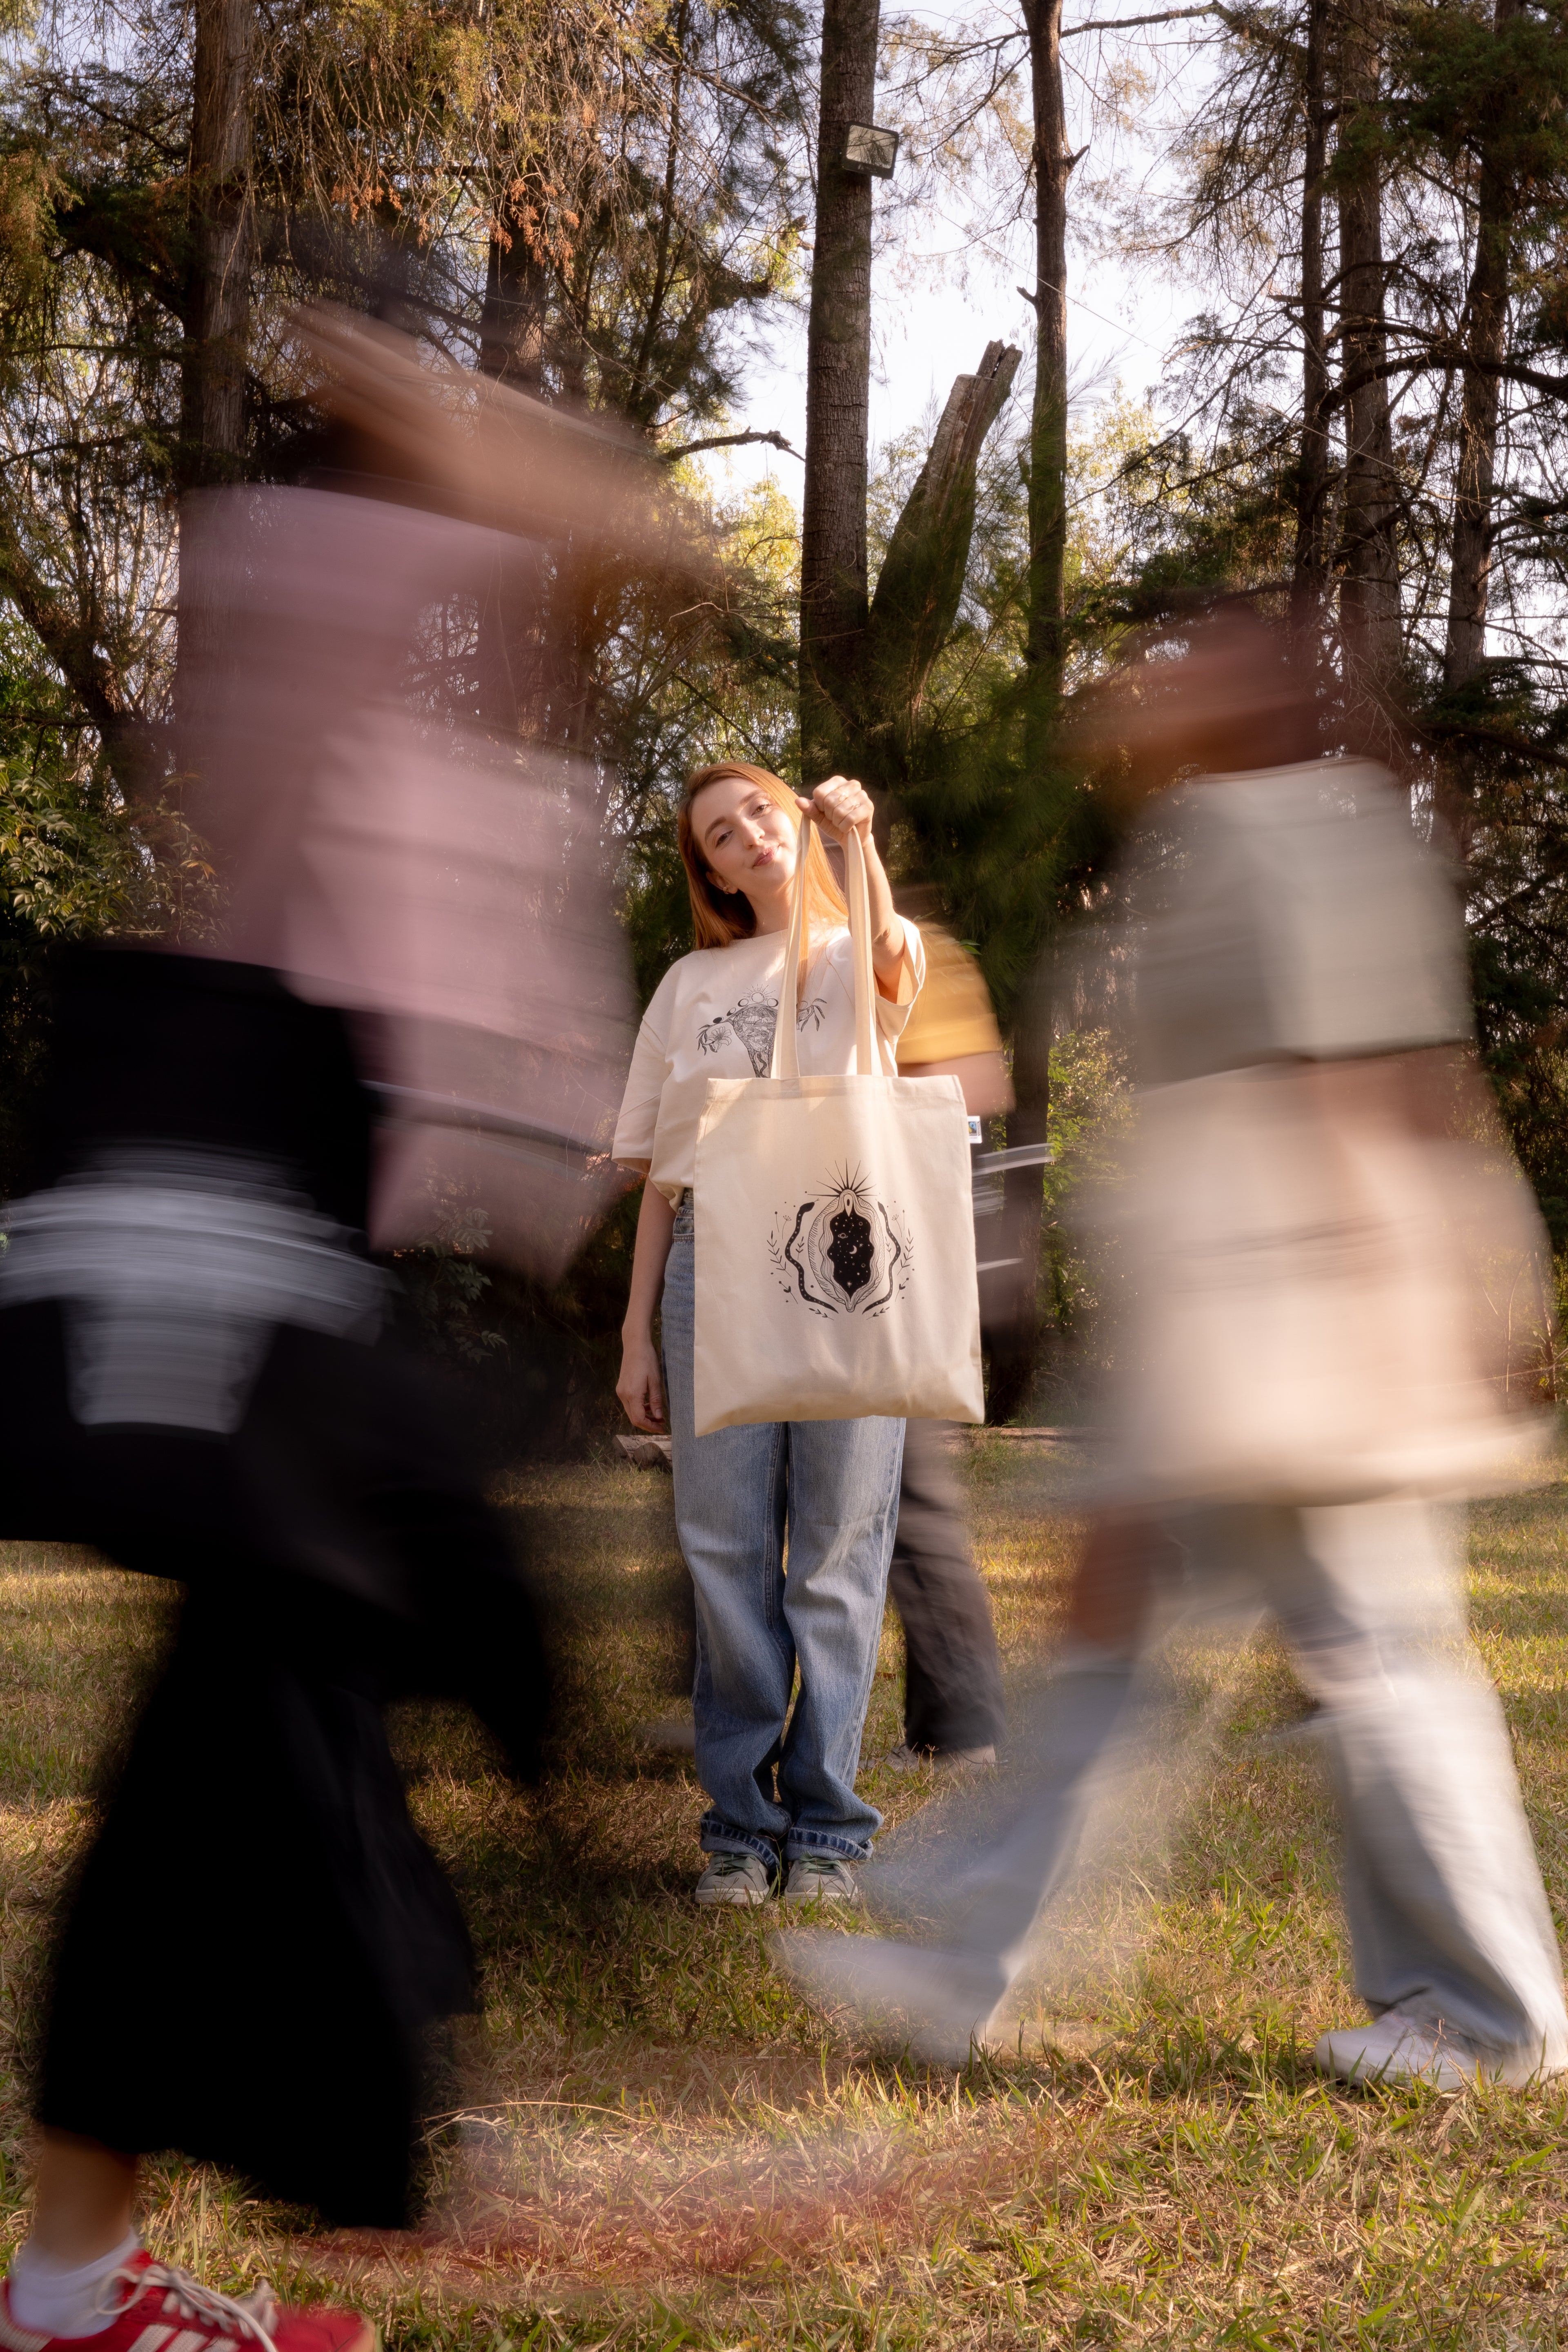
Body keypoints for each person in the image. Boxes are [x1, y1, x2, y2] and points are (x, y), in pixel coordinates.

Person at [773, 608, 1568, 2089]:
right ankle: (965, 1972)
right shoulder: (1210, 840)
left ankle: (1488, 2018)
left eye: (1182, 662)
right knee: (1132, 1650)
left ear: (1253, 692)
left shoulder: (1311, 830)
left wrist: (1404, 1331)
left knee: (1375, 1658)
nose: (1136, 687)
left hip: (1308, 1308)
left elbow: (1380, 1089)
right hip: (1243, 1299)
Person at [614, 762, 925, 1908]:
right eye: (718, 835)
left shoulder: (861, 941)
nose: (746, 837)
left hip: (850, 1251)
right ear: (707, 870)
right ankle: (740, 1833)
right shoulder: (689, 983)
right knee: (726, 1550)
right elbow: (656, 1174)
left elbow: (892, 977)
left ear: (795, 815)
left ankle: (830, 1833)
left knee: (840, 1552)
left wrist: (860, 847)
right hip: (716, 1260)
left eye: (758, 811)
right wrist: (636, 1333)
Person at [885, 921, 1010, 1775]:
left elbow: (969, 1087)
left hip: (893, 1241)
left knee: (908, 1486)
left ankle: (963, 1728)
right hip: (838, 1229)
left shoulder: (912, 947)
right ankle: (952, 1724)